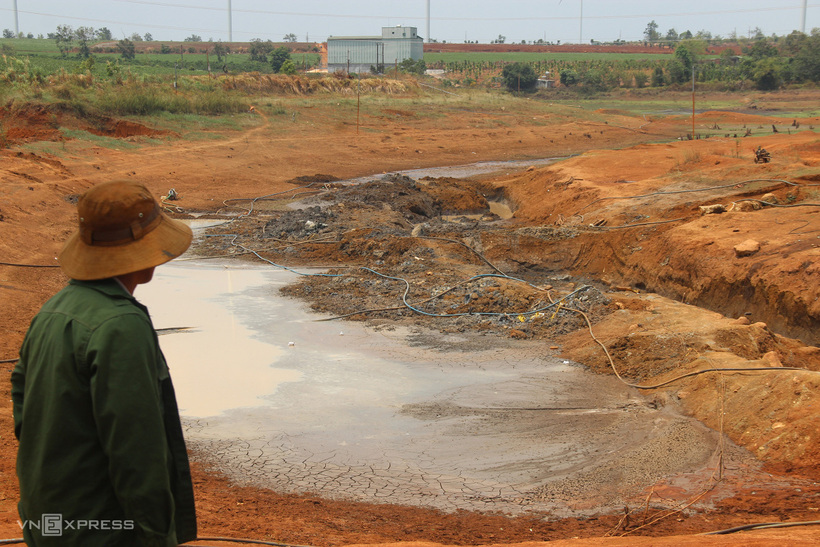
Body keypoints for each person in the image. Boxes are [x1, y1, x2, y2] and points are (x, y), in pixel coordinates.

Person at [12, 180, 197, 546]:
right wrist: (157, 536)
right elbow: (137, 451)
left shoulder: (55, 308)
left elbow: (22, 404)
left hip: (51, 520)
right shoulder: (120, 324)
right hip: (102, 531)